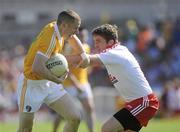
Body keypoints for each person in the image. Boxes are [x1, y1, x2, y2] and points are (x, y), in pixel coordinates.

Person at [68, 24, 159, 132]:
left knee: (106, 129)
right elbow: (85, 60)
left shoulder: (113, 53)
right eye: (94, 41)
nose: (95, 45)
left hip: (144, 103)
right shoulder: (116, 51)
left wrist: (61, 59)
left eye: (98, 41)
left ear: (110, 42)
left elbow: (87, 60)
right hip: (138, 103)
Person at [16, 9, 89, 132]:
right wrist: (57, 79)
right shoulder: (50, 38)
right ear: (64, 25)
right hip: (31, 85)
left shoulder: (59, 27)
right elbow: (37, 68)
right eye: (75, 28)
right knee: (25, 129)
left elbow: (72, 37)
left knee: (75, 117)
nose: (77, 31)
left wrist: (83, 54)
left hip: (48, 83)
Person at [51, 27, 95, 132]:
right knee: (62, 114)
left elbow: (85, 67)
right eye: (82, 36)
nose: (84, 38)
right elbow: (65, 69)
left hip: (84, 83)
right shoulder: (70, 48)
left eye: (86, 36)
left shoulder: (87, 47)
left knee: (90, 108)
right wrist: (77, 85)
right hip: (70, 84)